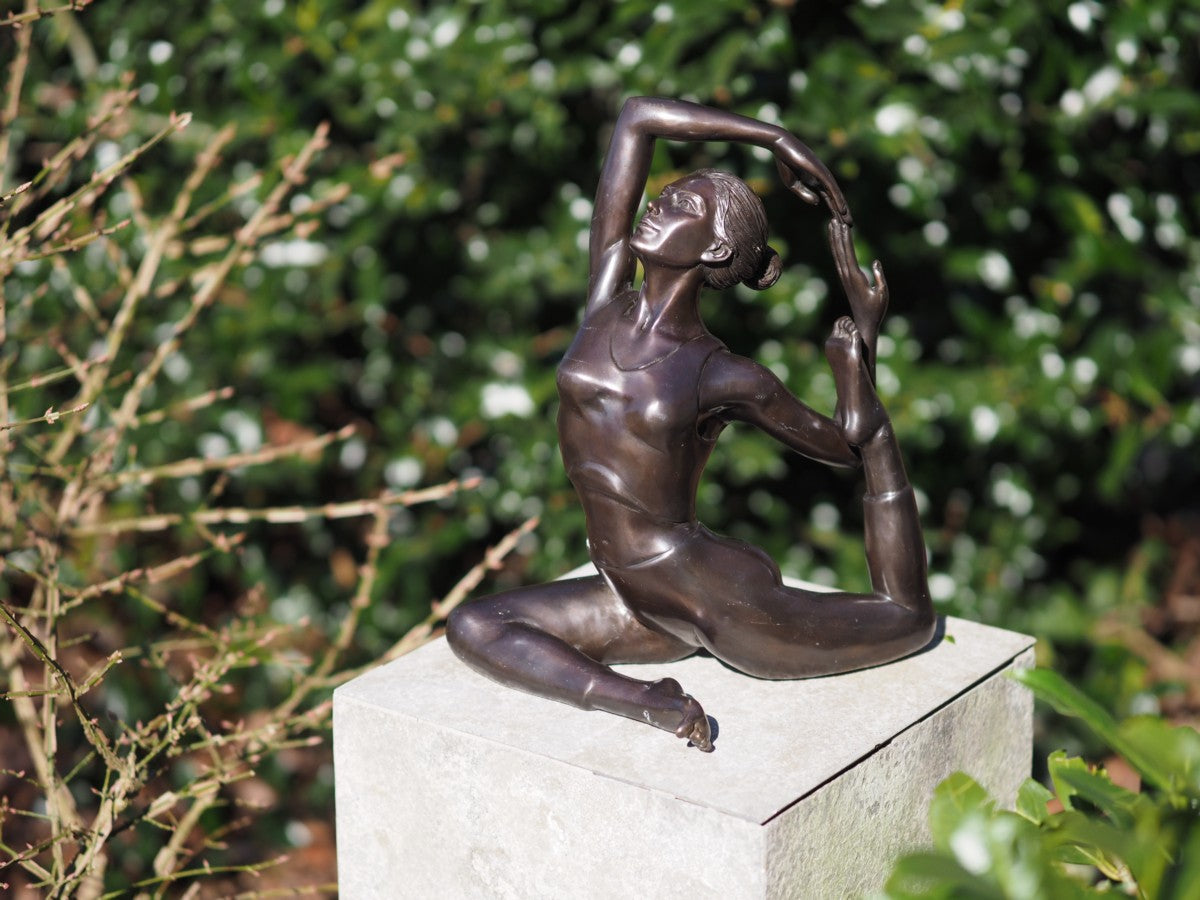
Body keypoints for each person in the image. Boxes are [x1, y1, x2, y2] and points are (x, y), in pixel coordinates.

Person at [447, 97, 934, 751]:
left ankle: (655, 696)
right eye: (665, 195)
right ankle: (649, 701)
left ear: (717, 247)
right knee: (475, 626)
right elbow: (638, 117)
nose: (658, 204)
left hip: (709, 597)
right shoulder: (606, 299)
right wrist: (772, 137)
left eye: (683, 206)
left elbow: (850, 446)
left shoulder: (723, 374)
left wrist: (859, 356)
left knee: (906, 620)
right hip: (628, 590)